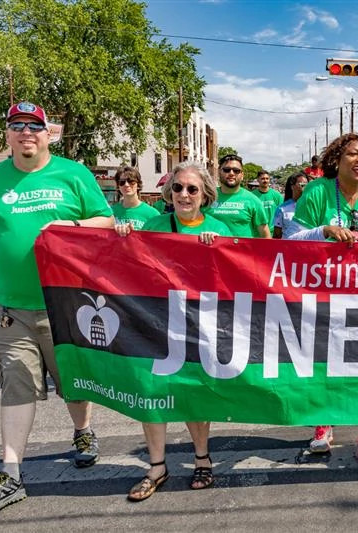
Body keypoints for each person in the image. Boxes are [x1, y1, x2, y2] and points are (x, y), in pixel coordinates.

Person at [0, 102, 115, 511]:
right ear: (7, 134)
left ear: (49, 133)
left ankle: (83, 430)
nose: (26, 132)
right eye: (17, 125)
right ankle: (10, 472)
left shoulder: (74, 174)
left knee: (72, 381)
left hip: (66, 302)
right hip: (10, 308)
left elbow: (106, 222)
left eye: (34, 126)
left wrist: (70, 227)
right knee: (16, 383)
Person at [116, 161, 230, 501]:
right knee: (151, 389)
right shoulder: (153, 224)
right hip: (154, 319)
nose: (183, 194)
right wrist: (123, 239)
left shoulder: (219, 228)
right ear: (169, 192)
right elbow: (129, 267)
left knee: (194, 391)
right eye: (178, 188)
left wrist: (216, 249)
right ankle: (156, 467)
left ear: (205, 194)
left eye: (192, 189)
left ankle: (202, 459)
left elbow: (236, 278)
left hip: (198, 323)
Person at [288, 132, 358, 467]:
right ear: (338, 159)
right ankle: (323, 425)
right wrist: (324, 231)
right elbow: (292, 240)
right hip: (324, 296)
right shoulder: (318, 191)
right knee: (324, 361)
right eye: (353, 154)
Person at [206, 154, 270, 238]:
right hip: (211, 250)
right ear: (219, 172)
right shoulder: (207, 197)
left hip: (241, 251)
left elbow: (265, 235)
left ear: (242, 175)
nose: (231, 173)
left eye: (236, 171)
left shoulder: (253, 200)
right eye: (226, 170)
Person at [273, 172, 308, 238]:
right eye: (302, 185)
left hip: (307, 246)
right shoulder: (281, 209)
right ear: (292, 186)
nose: (305, 188)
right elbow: (277, 235)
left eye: (307, 185)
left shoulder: (313, 207)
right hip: (288, 247)